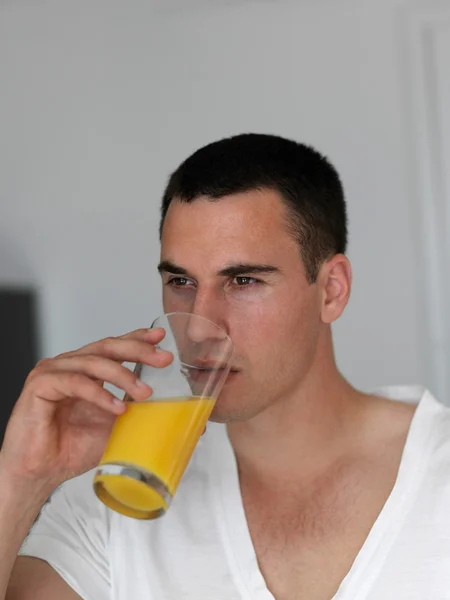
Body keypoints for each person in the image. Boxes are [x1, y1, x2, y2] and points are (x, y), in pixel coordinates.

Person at [1, 133, 449, 600]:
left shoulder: (439, 470)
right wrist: (21, 480)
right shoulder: (114, 497)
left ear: (331, 289)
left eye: (242, 280)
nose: (198, 329)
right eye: (180, 281)